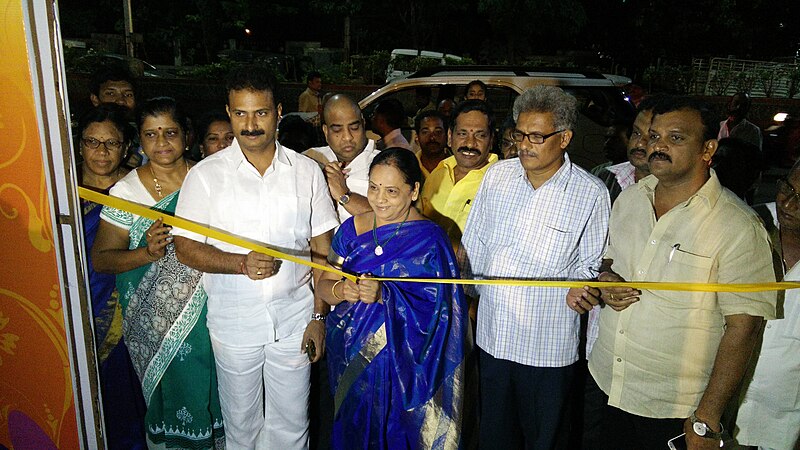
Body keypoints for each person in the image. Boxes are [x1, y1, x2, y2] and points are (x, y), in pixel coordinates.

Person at [571, 96, 776, 449]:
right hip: (605, 383)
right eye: (653, 136)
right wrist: (606, 280)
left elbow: (745, 328)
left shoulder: (737, 225)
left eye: (676, 138)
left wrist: (707, 419)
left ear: (708, 148)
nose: (658, 146)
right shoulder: (630, 199)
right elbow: (608, 261)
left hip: (673, 408)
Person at [172, 66, 338, 449]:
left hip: (296, 321)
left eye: (260, 113)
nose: (250, 125)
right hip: (234, 325)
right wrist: (238, 263)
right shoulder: (206, 177)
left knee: (293, 426)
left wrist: (318, 317)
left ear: (279, 111)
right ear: (229, 113)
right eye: (241, 113)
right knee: (242, 428)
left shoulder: (306, 172)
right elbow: (185, 248)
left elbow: (322, 252)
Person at [461, 86, 610, 450]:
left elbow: (590, 265)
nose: (525, 144)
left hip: (547, 350)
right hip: (493, 338)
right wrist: (469, 297)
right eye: (520, 134)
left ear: (565, 138)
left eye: (537, 136)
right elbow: (475, 244)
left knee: (545, 441)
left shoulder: (589, 193)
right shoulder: (498, 178)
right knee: (494, 438)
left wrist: (584, 289)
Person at [92, 97, 225, 449]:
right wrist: (145, 253)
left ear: (186, 135)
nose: (161, 143)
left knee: (218, 399)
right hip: (152, 328)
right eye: (151, 135)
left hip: (212, 314)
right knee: (171, 409)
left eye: (170, 132)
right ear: (140, 140)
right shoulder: (126, 191)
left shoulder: (208, 179)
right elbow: (102, 259)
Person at [316, 148, 468, 449]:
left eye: (392, 191)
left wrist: (387, 293)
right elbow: (324, 284)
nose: (379, 199)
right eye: (373, 187)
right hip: (352, 356)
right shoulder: (351, 230)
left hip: (406, 366)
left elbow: (442, 310)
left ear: (413, 192)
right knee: (355, 430)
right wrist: (341, 291)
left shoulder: (430, 238)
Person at [77, 104, 148, 449]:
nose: (102, 152)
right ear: (79, 145)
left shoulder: (139, 193)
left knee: (123, 399)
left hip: (128, 311)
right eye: (92, 142)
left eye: (111, 143)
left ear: (125, 147)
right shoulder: (62, 194)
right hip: (71, 307)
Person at [732, 163, 800, 450]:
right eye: (788, 187)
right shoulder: (748, 223)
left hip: (785, 419)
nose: (788, 202)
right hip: (721, 405)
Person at [421, 100, 499, 251]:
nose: (470, 143)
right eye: (462, 134)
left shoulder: (500, 182)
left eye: (480, 135)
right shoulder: (439, 172)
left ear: (491, 141)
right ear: (450, 137)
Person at [304, 94, 380, 222]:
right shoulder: (309, 160)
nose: (347, 137)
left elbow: (394, 223)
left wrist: (343, 194)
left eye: (354, 128)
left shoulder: (385, 164)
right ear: (326, 131)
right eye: (338, 130)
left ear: (363, 124)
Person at [594, 97, 658, 205]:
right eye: (636, 133)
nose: (640, 143)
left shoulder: (682, 190)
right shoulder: (605, 177)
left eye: (653, 136)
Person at [414, 109, 450, 178]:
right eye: (425, 132)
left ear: (447, 136)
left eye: (438, 132)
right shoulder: (408, 166)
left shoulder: (458, 166)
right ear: (417, 137)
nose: (432, 138)